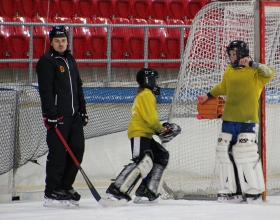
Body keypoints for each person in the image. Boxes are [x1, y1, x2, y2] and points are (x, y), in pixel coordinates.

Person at [198, 40, 274, 203]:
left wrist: (253, 64)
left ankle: (254, 189)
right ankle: (231, 190)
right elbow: (223, 87)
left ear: (242, 54)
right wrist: (208, 95)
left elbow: (269, 73)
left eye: (234, 54)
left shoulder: (256, 72)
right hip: (229, 119)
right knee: (224, 152)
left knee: (245, 153)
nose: (232, 57)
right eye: (230, 54)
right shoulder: (229, 70)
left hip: (248, 119)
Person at [100, 68, 170, 207]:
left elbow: (149, 120)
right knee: (141, 162)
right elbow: (150, 119)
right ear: (148, 81)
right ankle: (115, 190)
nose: (156, 83)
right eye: (154, 80)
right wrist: (161, 130)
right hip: (139, 133)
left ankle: (146, 189)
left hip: (145, 133)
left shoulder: (147, 94)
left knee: (161, 155)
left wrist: (158, 130)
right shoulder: (146, 95)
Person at [36, 25, 88, 207]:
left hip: (74, 116)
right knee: (58, 154)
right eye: (57, 41)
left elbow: (78, 85)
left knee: (77, 150)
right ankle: (52, 190)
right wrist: (50, 115)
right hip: (58, 117)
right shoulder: (46, 61)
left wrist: (83, 110)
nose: (60, 44)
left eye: (63, 40)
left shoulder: (70, 59)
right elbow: (46, 91)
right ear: (51, 42)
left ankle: (65, 186)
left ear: (67, 41)